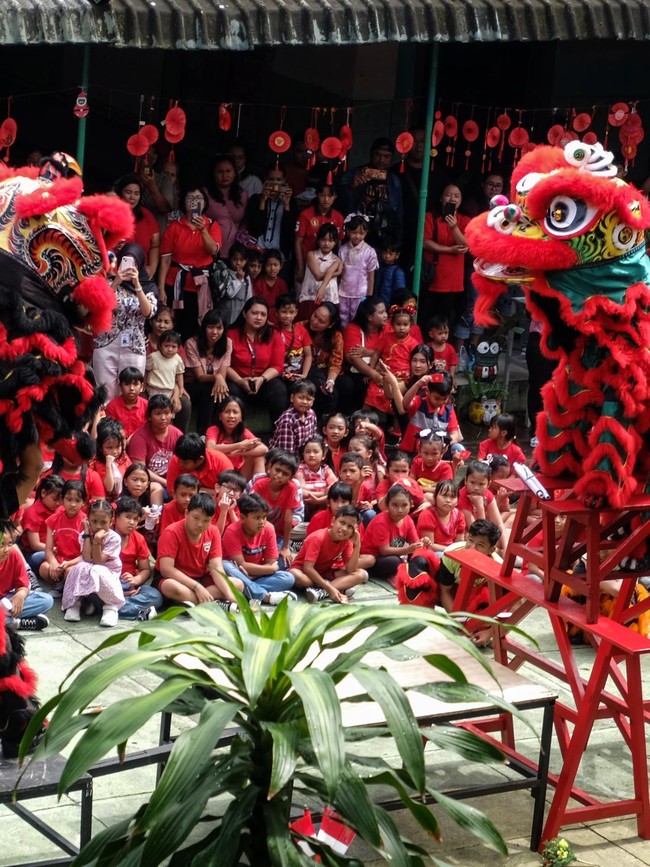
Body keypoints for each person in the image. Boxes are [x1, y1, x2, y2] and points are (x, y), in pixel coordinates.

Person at [93, 243, 157, 401]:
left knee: (130, 394)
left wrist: (137, 285)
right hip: (106, 343)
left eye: (133, 263)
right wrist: (116, 282)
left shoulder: (148, 287)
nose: (129, 267)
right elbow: (99, 306)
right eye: (125, 261)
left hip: (134, 346)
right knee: (105, 395)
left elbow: (148, 312)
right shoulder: (108, 282)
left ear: (139, 264)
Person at [155, 493, 241, 609]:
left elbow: (216, 567)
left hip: (201, 578)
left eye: (206, 521)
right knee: (172, 587)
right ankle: (212, 603)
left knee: (238, 584)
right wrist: (196, 587)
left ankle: (193, 602)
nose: (200, 524)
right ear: (186, 513)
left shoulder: (213, 531)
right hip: (176, 579)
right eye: (196, 518)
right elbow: (166, 569)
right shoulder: (171, 532)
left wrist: (230, 596)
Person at [158, 186, 222, 340]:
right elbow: (165, 259)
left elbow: (213, 250)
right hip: (175, 283)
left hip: (200, 284)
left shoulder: (212, 225)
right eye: (190, 198)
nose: (194, 202)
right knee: (175, 323)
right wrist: (161, 288)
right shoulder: (174, 226)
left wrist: (203, 230)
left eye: (199, 198)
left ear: (205, 203)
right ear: (183, 202)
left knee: (198, 325)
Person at [221, 493, 297, 606]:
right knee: (225, 565)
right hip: (237, 574)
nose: (262, 522)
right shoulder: (232, 531)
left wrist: (254, 575)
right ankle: (265, 596)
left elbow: (271, 562)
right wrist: (269, 569)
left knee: (289, 578)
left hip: (255, 575)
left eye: (264, 517)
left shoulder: (269, 528)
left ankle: (248, 592)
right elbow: (242, 565)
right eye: (257, 518)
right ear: (243, 518)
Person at [436, 519, 502, 640]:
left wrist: (491, 633)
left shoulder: (498, 567)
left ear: (491, 550)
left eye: (480, 545)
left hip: (478, 599)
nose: (472, 548)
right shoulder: (451, 554)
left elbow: (515, 604)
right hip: (455, 593)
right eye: (470, 541)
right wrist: (458, 622)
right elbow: (444, 590)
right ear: (466, 537)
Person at [226, 296, 288, 424]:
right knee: (230, 390)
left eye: (263, 314)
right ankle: (235, 432)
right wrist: (240, 381)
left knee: (278, 389)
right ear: (245, 313)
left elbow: (277, 366)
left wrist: (261, 379)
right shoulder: (230, 334)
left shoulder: (274, 335)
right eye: (254, 313)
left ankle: (279, 431)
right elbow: (223, 364)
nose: (259, 317)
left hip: (262, 381)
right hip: (237, 380)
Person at [62, 499, 124, 627]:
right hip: (90, 572)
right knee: (80, 567)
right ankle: (74, 604)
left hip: (108, 574)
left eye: (103, 522)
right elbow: (86, 558)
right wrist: (86, 534)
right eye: (94, 521)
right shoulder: (84, 535)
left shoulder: (114, 538)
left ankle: (110, 608)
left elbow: (98, 562)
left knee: (96, 569)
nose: (98, 526)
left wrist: (97, 541)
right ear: (87, 520)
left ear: (111, 522)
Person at [290, 506, 368, 603]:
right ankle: (333, 588)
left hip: (324, 573)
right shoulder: (318, 537)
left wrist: (357, 545)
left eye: (350, 526)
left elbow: (350, 570)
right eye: (342, 523)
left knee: (361, 574)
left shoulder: (346, 541)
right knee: (297, 576)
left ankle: (321, 591)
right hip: (304, 572)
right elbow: (308, 568)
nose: (344, 529)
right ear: (333, 521)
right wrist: (329, 588)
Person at [420, 184, 471, 330]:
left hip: (453, 280)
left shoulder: (464, 220)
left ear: (461, 200)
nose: (452, 199)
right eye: (448, 195)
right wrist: (449, 249)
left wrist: (454, 227)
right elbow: (425, 243)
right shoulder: (430, 217)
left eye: (456, 196)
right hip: (433, 276)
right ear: (441, 198)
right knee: (426, 317)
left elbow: (466, 245)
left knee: (446, 319)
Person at [338, 137, 403, 247]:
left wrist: (396, 240)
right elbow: (340, 202)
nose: (381, 160)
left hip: (383, 234)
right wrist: (353, 186)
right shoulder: (355, 174)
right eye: (377, 155)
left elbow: (398, 213)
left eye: (386, 156)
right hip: (357, 232)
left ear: (392, 158)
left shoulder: (394, 181)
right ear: (371, 154)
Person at [361, 484, 430, 583]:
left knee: (422, 558)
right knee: (394, 561)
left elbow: (414, 543)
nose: (400, 510)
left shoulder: (408, 519)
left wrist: (422, 543)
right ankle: (394, 574)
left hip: (397, 554)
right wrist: (408, 549)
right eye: (395, 505)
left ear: (411, 504)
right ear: (387, 504)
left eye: (404, 505)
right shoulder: (381, 522)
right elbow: (384, 551)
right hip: (375, 559)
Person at [364, 304, 420, 419]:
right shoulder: (386, 338)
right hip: (384, 375)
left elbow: (414, 362)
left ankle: (396, 427)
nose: (402, 328)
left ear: (411, 325)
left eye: (405, 325)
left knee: (398, 401)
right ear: (392, 325)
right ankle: (361, 418)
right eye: (398, 324)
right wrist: (370, 371)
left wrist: (413, 379)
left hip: (403, 379)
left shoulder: (413, 343)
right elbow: (376, 354)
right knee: (372, 393)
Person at [113, 496, 163, 621]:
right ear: (116, 517)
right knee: (96, 592)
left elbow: (145, 569)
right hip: (109, 584)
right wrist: (117, 591)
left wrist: (135, 580)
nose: (132, 522)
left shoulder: (138, 538)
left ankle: (113, 607)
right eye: (128, 517)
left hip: (129, 585)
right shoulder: (106, 535)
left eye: (135, 519)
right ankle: (137, 610)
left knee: (156, 596)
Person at [184, 308, 232, 433]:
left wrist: (219, 378)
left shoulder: (227, 343)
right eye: (211, 327)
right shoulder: (191, 343)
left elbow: (223, 373)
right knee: (210, 389)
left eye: (219, 328)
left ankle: (223, 432)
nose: (215, 332)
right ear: (204, 327)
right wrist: (217, 377)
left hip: (214, 383)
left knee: (227, 391)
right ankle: (203, 432)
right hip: (191, 384)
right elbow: (200, 376)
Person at [250, 450, 301, 567]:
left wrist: (285, 547)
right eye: (277, 470)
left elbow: (288, 519)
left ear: (291, 477)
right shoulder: (259, 484)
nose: (279, 476)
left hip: (278, 535)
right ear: (269, 468)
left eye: (285, 474)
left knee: (283, 564)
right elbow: (252, 513)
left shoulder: (291, 488)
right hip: (256, 531)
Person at [0, 521, 52, 632]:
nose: (6, 549)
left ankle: (6, 621)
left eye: (9, 544)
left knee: (46, 600)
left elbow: (24, 585)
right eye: (1, 545)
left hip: (6, 601)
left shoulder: (13, 554)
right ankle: (16, 623)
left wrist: (21, 595)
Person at [294, 180, 344, 292]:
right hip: (306, 264)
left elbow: (339, 243)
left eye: (330, 196)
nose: (326, 199)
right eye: (322, 195)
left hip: (329, 267)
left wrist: (338, 266)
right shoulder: (305, 215)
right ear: (317, 195)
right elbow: (298, 241)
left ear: (335, 196)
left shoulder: (339, 217)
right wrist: (300, 267)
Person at [304, 302, 351, 417]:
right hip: (308, 370)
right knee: (329, 393)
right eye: (315, 315)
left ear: (330, 324)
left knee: (347, 385)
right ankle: (323, 420)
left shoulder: (336, 336)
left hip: (328, 371)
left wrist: (331, 381)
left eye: (321, 321)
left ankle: (342, 419)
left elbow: (336, 361)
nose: (314, 321)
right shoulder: (301, 327)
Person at [127, 395, 184, 488]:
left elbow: (185, 463)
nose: (163, 417)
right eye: (158, 414)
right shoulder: (139, 437)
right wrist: (166, 483)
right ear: (149, 416)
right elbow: (140, 470)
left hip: (175, 482)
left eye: (167, 413)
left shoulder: (178, 434)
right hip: (148, 484)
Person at [341, 297, 388, 410]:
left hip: (380, 371)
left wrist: (368, 352)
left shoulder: (388, 329)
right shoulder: (353, 329)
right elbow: (352, 357)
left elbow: (390, 352)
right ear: (369, 317)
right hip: (356, 373)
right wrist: (373, 374)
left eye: (385, 311)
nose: (385, 315)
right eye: (381, 312)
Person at [245, 163, 297, 265]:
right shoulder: (256, 199)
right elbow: (255, 227)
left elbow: (290, 230)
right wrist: (263, 201)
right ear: (265, 179)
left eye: (278, 180)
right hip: (257, 253)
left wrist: (287, 204)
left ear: (284, 181)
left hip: (280, 256)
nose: (275, 184)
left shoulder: (291, 202)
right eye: (271, 179)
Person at [401, 371, 463, 454]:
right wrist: (418, 384)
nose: (441, 402)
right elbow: (405, 403)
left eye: (444, 399)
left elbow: (455, 433)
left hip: (435, 453)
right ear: (427, 391)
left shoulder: (449, 410)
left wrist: (443, 443)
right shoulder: (419, 402)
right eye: (437, 399)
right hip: (413, 452)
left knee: (458, 448)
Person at [206, 396, 267, 480]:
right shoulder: (213, 430)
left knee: (258, 455)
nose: (231, 416)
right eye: (227, 412)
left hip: (239, 475)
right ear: (220, 416)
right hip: (219, 473)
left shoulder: (244, 432)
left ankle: (259, 485)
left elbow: (264, 449)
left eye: (235, 412)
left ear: (241, 417)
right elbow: (210, 448)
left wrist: (237, 453)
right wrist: (240, 445)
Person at [202, 154, 248, 258]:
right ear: (213, 174)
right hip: (210, 250)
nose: (225, 175)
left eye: (228, 171)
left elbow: (246, 219)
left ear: (235, 173)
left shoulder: (243, 195)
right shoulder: (203, 194)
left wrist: (242, 237)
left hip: (235, 256)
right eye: (220, 172)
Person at [337, 214, 379, 329]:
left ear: (366, 233)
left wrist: (369, 297)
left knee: (359, 321)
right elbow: (340, 273)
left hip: (361, 294)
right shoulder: (343, 250)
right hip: (343, 292)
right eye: (354, 232)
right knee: (342, 319)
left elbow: (371, 277)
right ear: (348, 231)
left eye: (362, 233)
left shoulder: (369, 252)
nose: (357, 236)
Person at [115, 175, 160, 278]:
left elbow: (155, 245)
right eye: (128, 192)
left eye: (136, 193)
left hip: (141, 275)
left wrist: (152, 268)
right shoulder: (110, 214)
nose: (132, 197)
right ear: (120, 193)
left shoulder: (146, 215)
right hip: (115, 273)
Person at [165, 433, 234, 497]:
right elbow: (173, 492)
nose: (180, 464)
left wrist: (197, 491)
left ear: (200, 460)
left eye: (185, 462)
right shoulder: (176, 459)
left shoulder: (221, 462)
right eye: (179, 460)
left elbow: (231, 493)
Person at [20, 475, 63, 575]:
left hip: (57, 549)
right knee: (45, 563)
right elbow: (35, 544)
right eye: (55, 499)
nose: (58, 503)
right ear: (43, 493)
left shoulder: (61, 510)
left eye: (61, 499)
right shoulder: (32, 513)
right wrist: (54, 550)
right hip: (36, 553)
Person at [145, 330, 188, 429]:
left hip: (169, 390)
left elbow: (179, 374)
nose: (170, 349)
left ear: (178, 348)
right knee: (155, 409)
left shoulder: (177, 359)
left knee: (169, 411)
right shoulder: (153, 357)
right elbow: (146, 370)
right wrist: (145, 383)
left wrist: (181, 388)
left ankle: (168, 428)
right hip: (154, 389)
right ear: (160, 345)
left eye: (173, 346)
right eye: (166, 346)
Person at [298, 222, 343, 316]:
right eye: (323, 239)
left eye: (330, 240)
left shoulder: (337, 260)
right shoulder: (311, 255)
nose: (326, 243)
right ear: (317, 240)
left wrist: (333, 272)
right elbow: (318, 276)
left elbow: (330, 271)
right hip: (310, 296)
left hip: (329, 298)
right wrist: (337, 273)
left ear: (335, 242)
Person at [268, 380, 318, 457]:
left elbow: (313, 440)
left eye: (308, 399)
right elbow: (286, 453)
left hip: (303, 457)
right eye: (301, 398)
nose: (304, 402)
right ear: (292, 398)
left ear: (313, 401)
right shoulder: (287, 420)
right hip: (283, 459)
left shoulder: (312, 414)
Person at [417, 480, 466, 555]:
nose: (448, 500)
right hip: (430, 554)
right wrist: (452, 551)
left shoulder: (460, 516)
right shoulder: (427, 515)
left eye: (452, 497)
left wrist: (455, 552)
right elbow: (429, 546)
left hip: (451, 553)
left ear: (457, 501)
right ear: (435, 497)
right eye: (444, 495)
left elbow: (459, 543)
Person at [295, 435, 337, 518]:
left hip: (322, 504)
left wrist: (318, 500)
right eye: (307, 452)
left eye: (315, 452)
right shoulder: (299, 469)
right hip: (305, 505)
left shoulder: (326, 469)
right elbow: (302, 492)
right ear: (303, 454)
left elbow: (334, 488)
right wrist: (322, 493)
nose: (311, 455)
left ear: (323, 455)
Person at [91, 418, 131, 502]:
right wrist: (108, 465)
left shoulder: (123, 456)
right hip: (104, 501)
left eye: (118, 446)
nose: (115, 451)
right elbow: (109, 488)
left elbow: (131, 473)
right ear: (101, 447)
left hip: (124, 497)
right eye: (109, 448)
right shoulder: (96, 462)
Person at [276, 294, 313, 385]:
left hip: (300, 373)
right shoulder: (273, 332)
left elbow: (308, 355)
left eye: (291, 312)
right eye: (284, 312)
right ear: (276, 313)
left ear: (296, 312)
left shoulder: (301, 330)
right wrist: (282, 373)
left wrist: (304, 375)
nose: (288, 316)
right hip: (281, 374)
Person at [105, 367, 149, 441]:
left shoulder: (146, 406)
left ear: (141, 386)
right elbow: (111, 431)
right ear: (120, 386)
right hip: (118, 443)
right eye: (127, 384)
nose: (131, 388)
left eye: (135, 384)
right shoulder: (112, 406)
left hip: (141, 442)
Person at [222, 242, 252, 326]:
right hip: (226, 313)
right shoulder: (226, 273)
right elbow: (230, 294)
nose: (238, 263)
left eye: (241, 260)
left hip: (240, 314)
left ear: (246, 261)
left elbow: (249, 298)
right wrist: (239, 279)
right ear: (230, 259)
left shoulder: (246, 277)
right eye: (235, 259)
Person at [253, 249, 288, 320]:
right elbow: (256, 304)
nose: (272, 268)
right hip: (261, 316)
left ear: (281, 265)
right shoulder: (259, 283)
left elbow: (285, 304)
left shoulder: (281, 283)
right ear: (264, 266)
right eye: (268, 265)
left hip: (279, 317)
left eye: (275, 265)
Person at [375, 240, 406, 308]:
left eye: (391, 254)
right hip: (376, 302)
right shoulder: (377, 267)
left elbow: (400, 292)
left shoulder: (398, 271)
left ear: (397, 255)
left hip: (390, 305)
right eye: (384, 253)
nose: (387, 256)